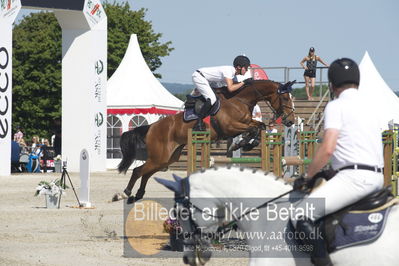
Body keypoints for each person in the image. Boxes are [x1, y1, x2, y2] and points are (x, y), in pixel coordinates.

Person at [291, 58, 384, 266]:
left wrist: (309, 176)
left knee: (300, 214)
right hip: (377, 177)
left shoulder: (336, 106)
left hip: (355, 179)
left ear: (332, 85)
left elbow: (327, 148)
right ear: (357, 82)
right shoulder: (370, 106)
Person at [191, 55, 252, 130]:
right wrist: (244, 82)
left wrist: (247, 84)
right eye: (245, 68)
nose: (246, 70)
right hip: (199, 77)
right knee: (212, 99)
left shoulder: (234, 75)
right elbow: (231, 88)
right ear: (239, 67)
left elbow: (237, 85)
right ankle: (199, 122)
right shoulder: (229, 70)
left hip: (209, 80)